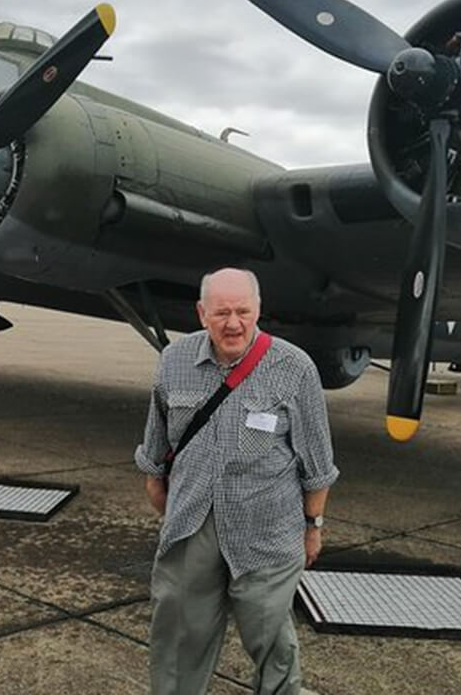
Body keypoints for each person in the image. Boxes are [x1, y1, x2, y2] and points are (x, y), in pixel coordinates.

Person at [135, 267, 338, 695]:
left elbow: (318, 465)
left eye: (243, 311)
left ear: (259, 309)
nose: (233, 323)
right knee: (178, 635)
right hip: (193, 525)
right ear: (201, 312)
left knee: (270, 638)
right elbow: (154, 455)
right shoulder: (174, 361)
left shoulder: (294, 368)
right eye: (221, 312)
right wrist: (171, 509)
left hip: (267, 527)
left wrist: (312, 526)